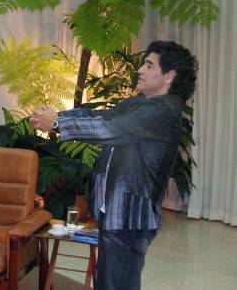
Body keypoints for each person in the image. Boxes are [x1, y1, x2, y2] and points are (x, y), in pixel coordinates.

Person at [30, 41, 198, 290]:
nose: (140, 69)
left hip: (131, 217)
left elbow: (110, 129)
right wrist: (58, 117)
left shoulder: (162, 112)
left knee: (117, 283)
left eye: (149, 65)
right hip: (117, 213)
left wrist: (56, 124)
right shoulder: (139, 104)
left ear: (168, 77)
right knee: (110, 281)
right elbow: (102, 117)